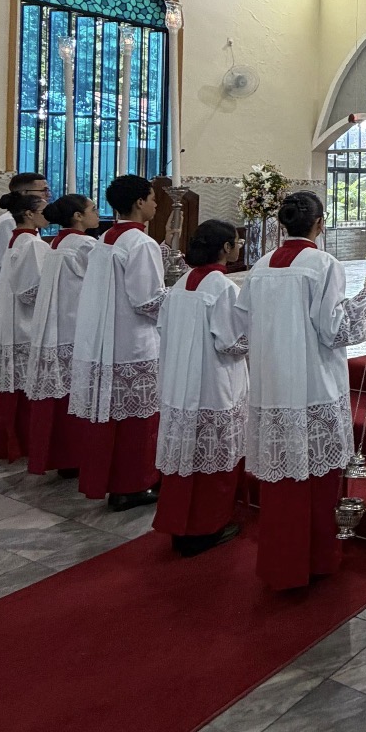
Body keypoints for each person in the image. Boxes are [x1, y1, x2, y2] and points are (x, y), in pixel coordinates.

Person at [239, 191, 366, 590]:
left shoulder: (261, 265)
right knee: (316, 481)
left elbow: (243, 325)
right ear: (320, 224)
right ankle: (317, 560)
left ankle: (281, 562)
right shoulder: (323, 264)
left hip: (272, 385)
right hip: (313, 383)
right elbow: (337, 329)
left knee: (281, 481)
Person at [152, 220, 248, 558]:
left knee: (186, 460)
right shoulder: (222, 287)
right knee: (212, 463)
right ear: (225, 248)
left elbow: (162, 326)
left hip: (181, 384)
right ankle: (206, 528)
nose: (239, 246)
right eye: (236, 241)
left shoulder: (180, 285)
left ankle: (181, 526)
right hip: (213, 384)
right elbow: (233, 342)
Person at [70, 176, 166, 509]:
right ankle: (134, 485)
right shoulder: (140, 244)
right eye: (152, 198)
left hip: (108, 339)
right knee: (137, 422)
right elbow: (147, 300)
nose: (156, 204)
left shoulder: (106, 239)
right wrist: (176, 306)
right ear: (140, 202)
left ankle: (117, 482)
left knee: (117, 419)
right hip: (135, 342)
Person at [25, 194, 98, 477]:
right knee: (76, 396)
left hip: (58, 327)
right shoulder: (85, 245)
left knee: (61, 397)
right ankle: (76, 457)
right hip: (76, 327)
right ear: (78, 217)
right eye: (92, 210)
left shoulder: (57, 242)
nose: (96, 214)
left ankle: (63, 458)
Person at [0, 172, 50, 430]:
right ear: (24, 196)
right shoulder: (10, 223)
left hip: (16, 305)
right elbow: (7, 270)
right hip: (12, 306)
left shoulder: (28, 230)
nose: (47, 196)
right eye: (42, 191)